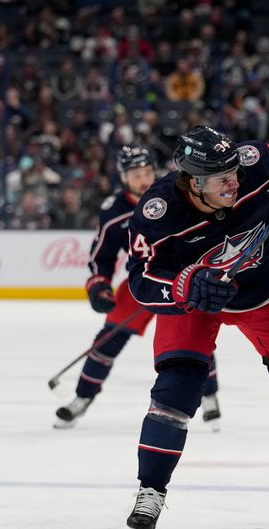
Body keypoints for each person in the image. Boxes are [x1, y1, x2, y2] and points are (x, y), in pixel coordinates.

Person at [124, 125, 269, 529]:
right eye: (220, 178)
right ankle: (151, 488)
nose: (234, 181)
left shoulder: (252, 162)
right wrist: (183, 286)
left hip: (263, 292)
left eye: (233, 171)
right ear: (193, 182)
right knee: (176, 388)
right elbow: (140, 281)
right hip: (195, 300)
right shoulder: (157, 211)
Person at [54, 145, 223, 429]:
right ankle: (81, 398)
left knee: (194, 340)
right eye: (135, 175)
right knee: (107, 340)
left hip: (183, 281)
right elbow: (102, 256)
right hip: (142, 283)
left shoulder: (176, 193)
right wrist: (99, 287)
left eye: (147, 172)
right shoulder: (114, 211)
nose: (143, 179)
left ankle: (210, 397)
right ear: (123, 177)